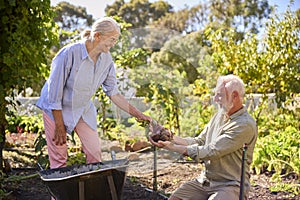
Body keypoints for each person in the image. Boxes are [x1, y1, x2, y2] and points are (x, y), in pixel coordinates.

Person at [36, 17, 151, 169]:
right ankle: (59, 193)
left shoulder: (107, 60)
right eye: (112, 39)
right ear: (97, 36)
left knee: (95, 153)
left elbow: (113, 93)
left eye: (115, 40)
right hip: (56, 109)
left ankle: (92, 192)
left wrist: (138, 114)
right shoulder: (69, 53)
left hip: (82, 108)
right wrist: (59, 125)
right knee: (59, 157)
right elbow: (54, 92)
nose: (113, 44)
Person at [149, 74, 258, 200]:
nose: (215, 99)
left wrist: (173, 147)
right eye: (216, 94)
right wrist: (170, 137)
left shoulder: (244, 124)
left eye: (220, 95)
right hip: (206, 182)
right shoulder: (219, 116)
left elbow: (212, 151)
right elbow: (200, 141)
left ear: (234, 96)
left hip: (230, 185)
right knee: (176, 198)